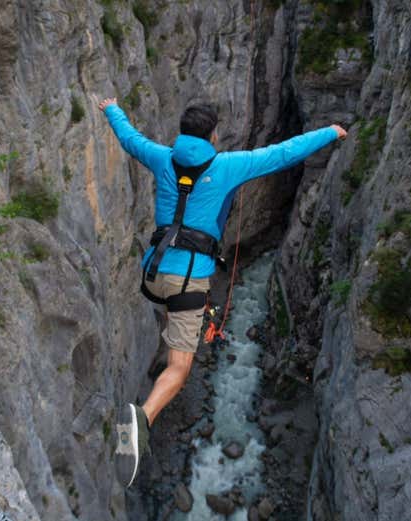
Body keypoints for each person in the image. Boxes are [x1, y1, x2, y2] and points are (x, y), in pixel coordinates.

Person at [98, 97, 346, 487]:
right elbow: (283, 153)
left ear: (182, 133)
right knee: (179, 371)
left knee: (176, 318)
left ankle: (175, 333)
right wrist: (330, 132)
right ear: (213, 135)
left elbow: (130, 138)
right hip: (188, 281)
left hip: (153, 274)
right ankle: (139, 422)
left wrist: (111, 108)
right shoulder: (227, 166)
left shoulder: (161, 157)